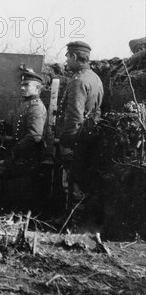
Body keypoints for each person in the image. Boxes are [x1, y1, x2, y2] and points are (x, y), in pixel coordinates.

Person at [0, 71, 47, 209]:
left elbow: (35, 135)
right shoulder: (26, 104)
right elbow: (19, 129)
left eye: (27, 85)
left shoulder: (36, 107)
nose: (22, 88)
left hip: (27, 160)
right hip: (20, 156)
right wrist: (6, 126)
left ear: (37, 88)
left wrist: (16, 149)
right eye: (22, 85)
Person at [58, 41, 104, 207]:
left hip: (76, 138)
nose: (66, 61)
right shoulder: (95, 78)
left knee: (72, 181)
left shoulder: (79, 81)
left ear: (75, 56)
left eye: (68, 57)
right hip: (88, 134)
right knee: (79, 178)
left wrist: (67, 143)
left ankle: (72, 224)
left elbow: (74, 116)